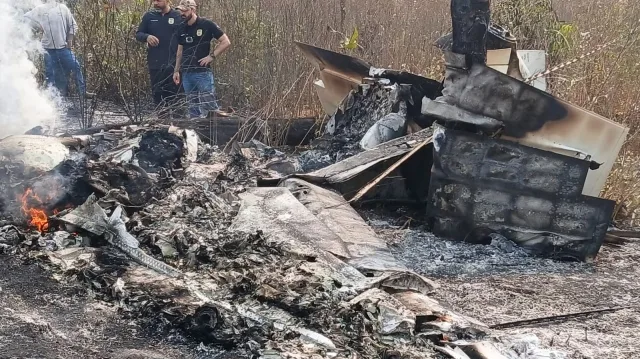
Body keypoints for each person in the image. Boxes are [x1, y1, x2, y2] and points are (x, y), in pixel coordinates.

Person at [173, 0, 231, 119]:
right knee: (192, 107)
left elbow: (226, 42)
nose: (182, 14)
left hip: (202, 72)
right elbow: (180, 51)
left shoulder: (207, 24)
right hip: (187, 72)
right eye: (180, 11)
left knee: (209, 105)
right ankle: (197, 130)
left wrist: (211, 56)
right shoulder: (181, 28)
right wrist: (176, 70)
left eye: (184, 11)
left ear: (193, 10)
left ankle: (218, 129)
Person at [24, 1, 94, 99]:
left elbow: (73, 25)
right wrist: (38, 25)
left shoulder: (63, 8)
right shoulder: (41, 8)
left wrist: (69, 39)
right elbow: (26, 17)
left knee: (75, 66)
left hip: (63, 48)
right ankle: (52, 98)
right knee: (50, 74)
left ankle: (82, 92)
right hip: (47, 49)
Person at [135, 0, 183, 119]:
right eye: (154, 1)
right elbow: (138, 34)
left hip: (175, 65)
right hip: (155, 63)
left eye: (159, 0)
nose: (155, 3)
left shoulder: (177, 16)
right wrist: (147, 37)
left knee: (177, 98)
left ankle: (179, 127)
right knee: (158, 97)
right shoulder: (149, 16)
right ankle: (162, 125)